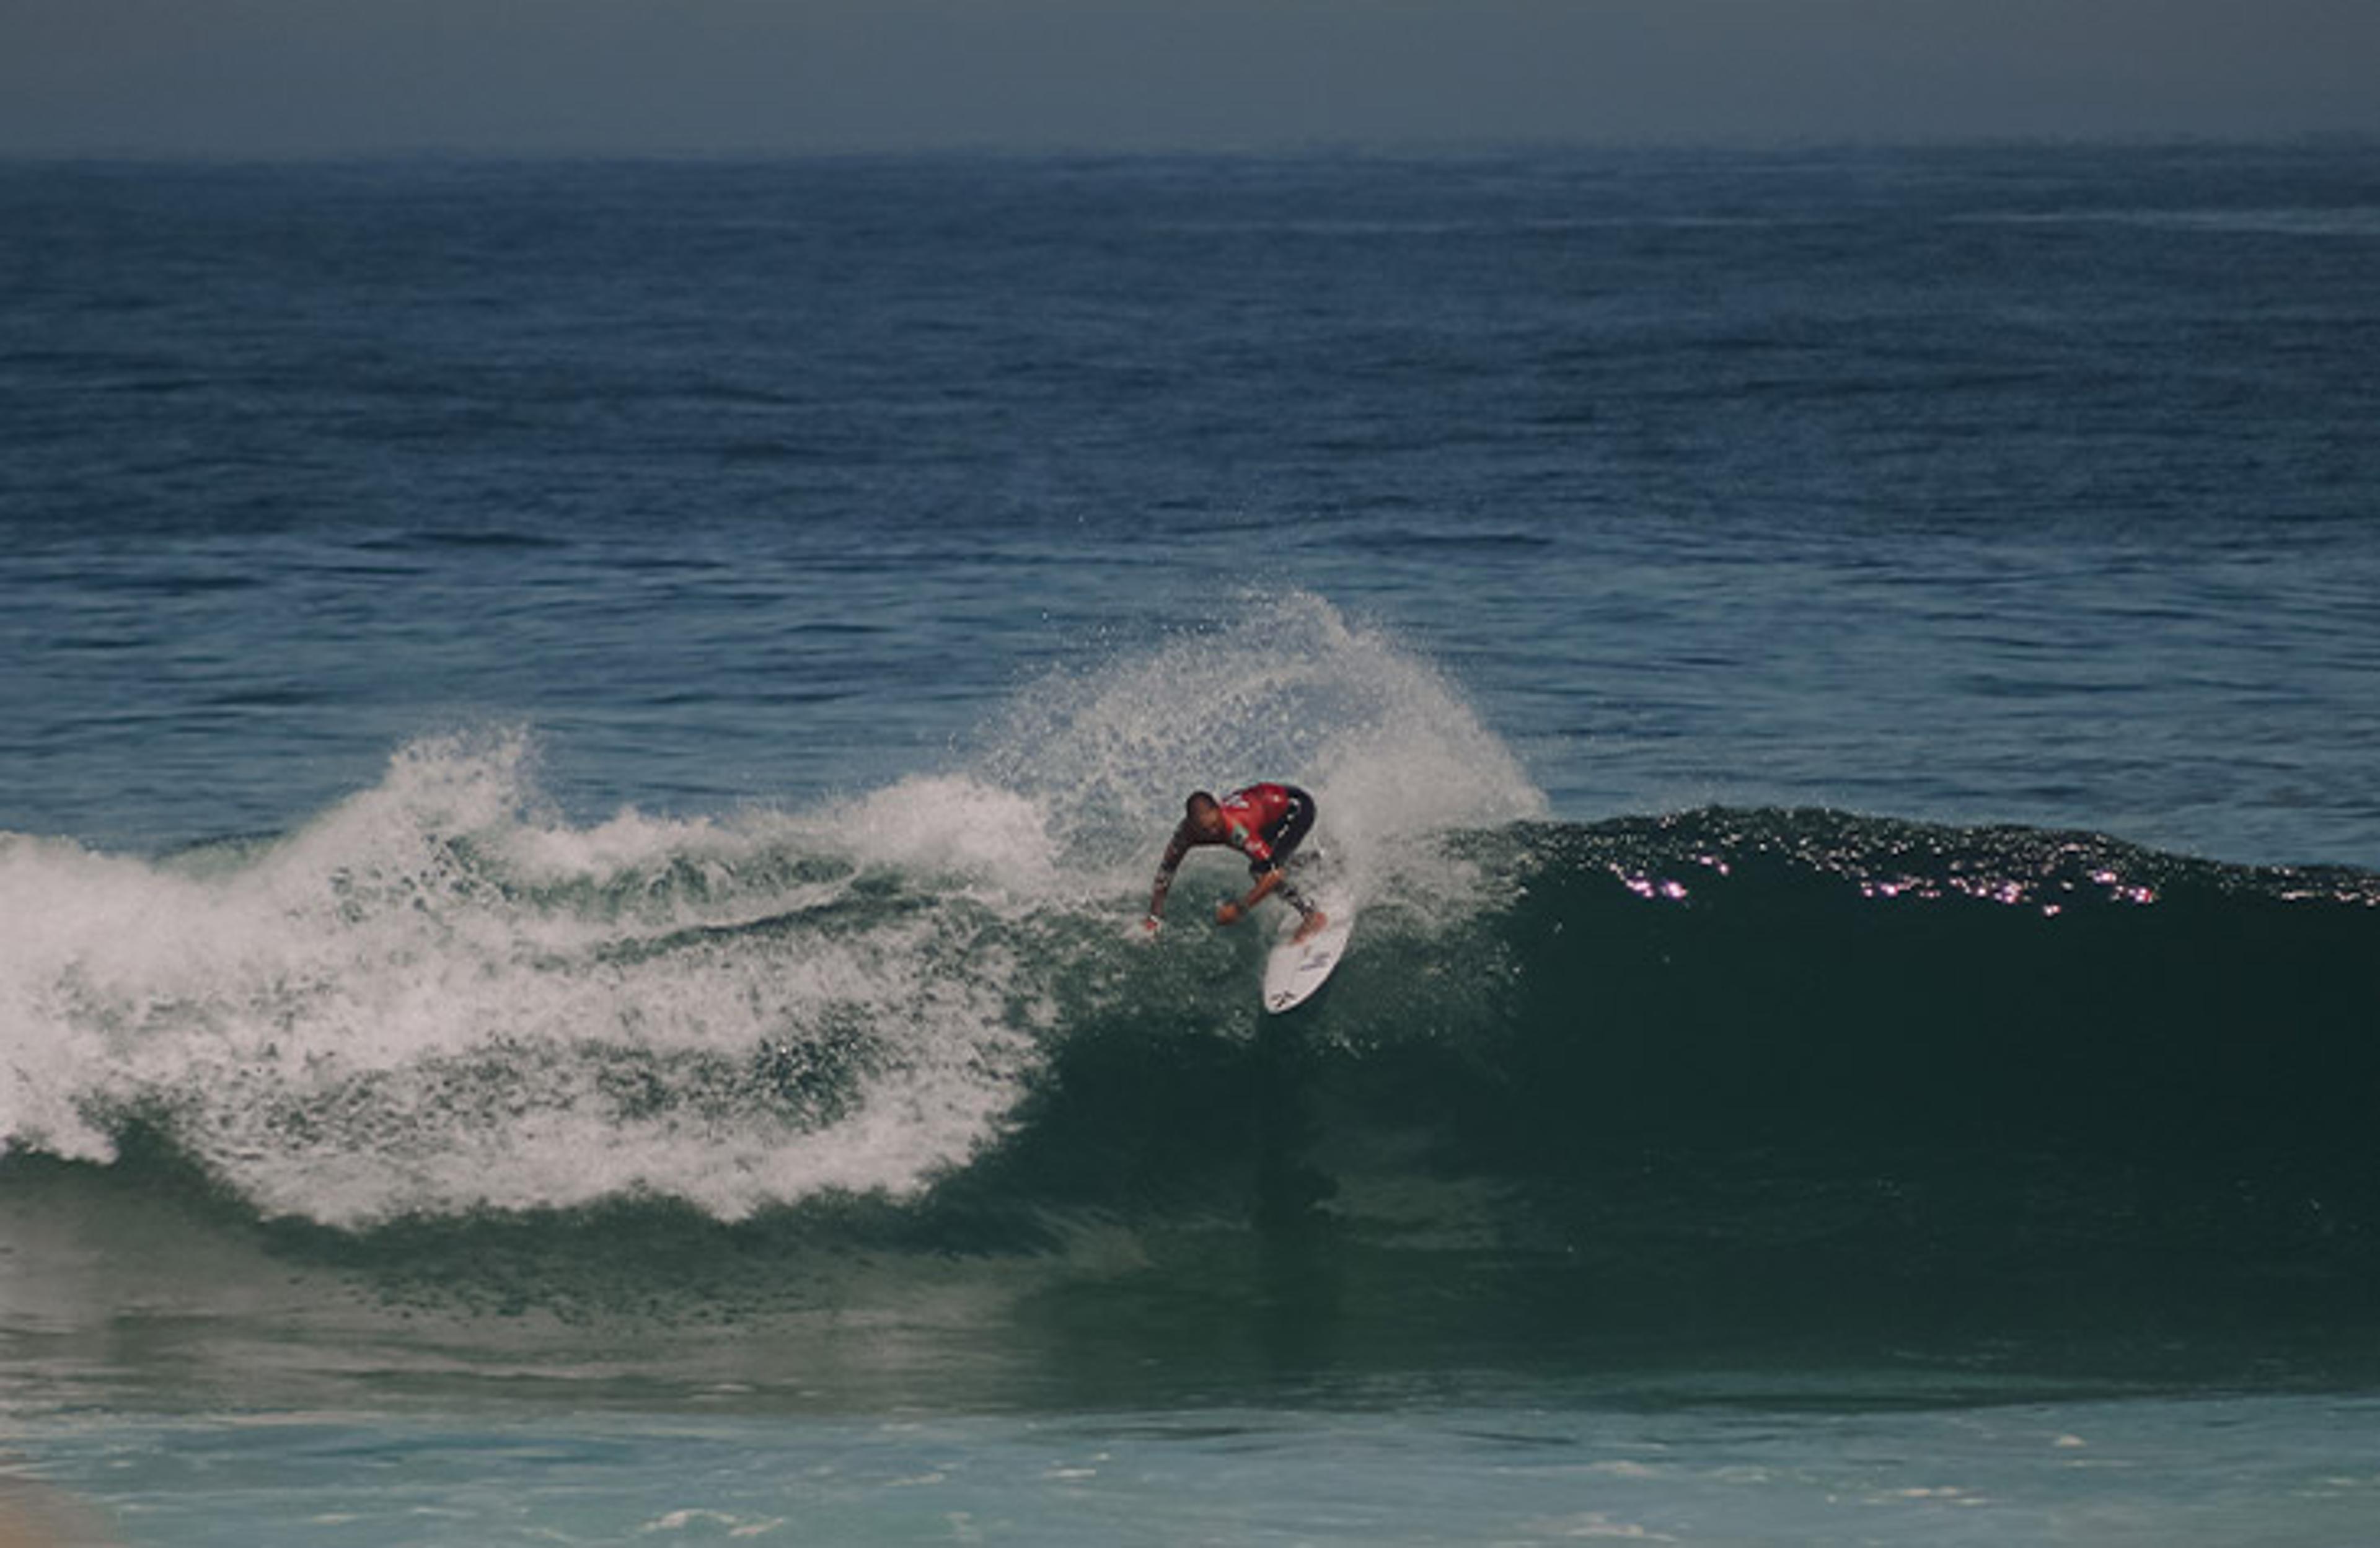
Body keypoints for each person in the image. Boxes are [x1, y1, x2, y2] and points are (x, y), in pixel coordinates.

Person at [1144, 783, 1329, 943]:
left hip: (1295, 808)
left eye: (1216, 825)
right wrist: (1154, 915)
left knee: (1260, 871)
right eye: (1206, 831)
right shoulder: (1184, 835)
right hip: (1266, 814)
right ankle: (1322, 858)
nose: (1214, 833)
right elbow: (1166, 871)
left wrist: (1239, 908)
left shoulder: (1235, 829)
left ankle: (1311, 915)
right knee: (1271, 860)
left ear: (1218, 810)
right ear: (1192, 826)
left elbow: (1273, 875)